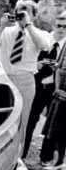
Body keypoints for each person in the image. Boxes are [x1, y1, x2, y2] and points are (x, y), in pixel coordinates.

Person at [0, 0, 49, 146]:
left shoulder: (39, 34)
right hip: (4, 79)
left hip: (25, 81)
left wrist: (28, 25)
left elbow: (43, 46)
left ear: (34, 15)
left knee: (21, 121)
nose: (21, 16)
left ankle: (16, 156)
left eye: (26, 12)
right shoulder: (6, 32)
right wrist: (1, 27)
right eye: (19, 12)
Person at [24, 12, 65, 161]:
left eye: (65, 27)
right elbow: (26, 60)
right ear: (54, 25)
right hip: (37, 86)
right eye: (59, 26)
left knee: (54, 124)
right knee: (30, 120)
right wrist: (37, 66)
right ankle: (22, 155)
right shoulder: (42, 39)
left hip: (55, 89)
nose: (61, 30)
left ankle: (46, 158)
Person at [41, 26, 66, 170]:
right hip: (60, 95)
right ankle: (59, 161)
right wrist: (57, 88)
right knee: (58, 131)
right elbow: (58, 66)